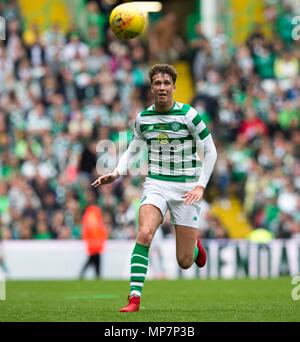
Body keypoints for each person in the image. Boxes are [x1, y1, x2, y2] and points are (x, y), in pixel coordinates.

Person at [92, 64, 217, 312]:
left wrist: (201, 186)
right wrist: (117, 172)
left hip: (186, 188)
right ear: (151, 88)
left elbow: (211, 151)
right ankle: (134, 299)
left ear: (173, 87)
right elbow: (133, 148)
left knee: (184, 262)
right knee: (145, 233)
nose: (162, 88)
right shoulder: (143, 118)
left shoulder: (189, 115)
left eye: (166, 83)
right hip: (157, 184)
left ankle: (194, 245)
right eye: (157, 83)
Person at [79, 204, 108, 279]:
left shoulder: (88, 216)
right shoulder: (95, 217)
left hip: (92, 243)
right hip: (96, 243)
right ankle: (96, 275)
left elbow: (85, 231)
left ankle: (96, 275)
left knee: (93, 259)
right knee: (94, 260)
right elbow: (100, 230)